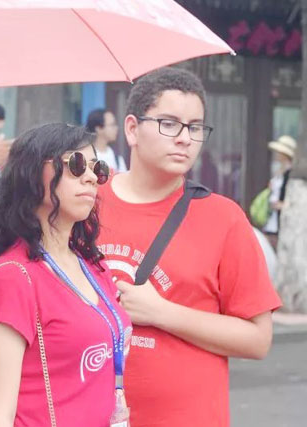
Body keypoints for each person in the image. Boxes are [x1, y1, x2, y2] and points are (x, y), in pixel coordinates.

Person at [96, 67, 281, 427]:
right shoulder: (85, 205)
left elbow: (258, 339)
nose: (184, 139)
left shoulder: (224, 219)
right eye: (169, 124)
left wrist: (161, 312)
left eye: (195, 127)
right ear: (132, 129)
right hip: (84, 413)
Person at [0, 123, 132, 426]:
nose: (90, 177)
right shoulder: (13, 277)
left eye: (97, 168)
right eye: (76, 164)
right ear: (32, 173)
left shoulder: (92, 265)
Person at [262, 135, 296, 247]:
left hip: (282, 221)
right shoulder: (279, 171)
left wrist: (283, 205)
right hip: (272, 218)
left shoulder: (292, 175)